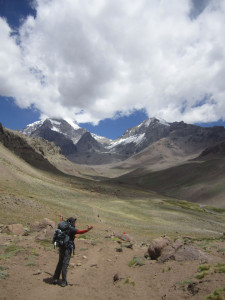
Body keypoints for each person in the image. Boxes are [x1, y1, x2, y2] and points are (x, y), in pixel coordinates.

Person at [52, 216, 93, 287]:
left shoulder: (63, 225)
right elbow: (80, 232)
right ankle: (64, 281)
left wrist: (61, 217)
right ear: (72, 222)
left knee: (60, 262)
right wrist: (88, 230)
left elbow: (61, 221)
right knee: (65, 264)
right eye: (74, 222)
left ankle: (55, 278)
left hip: (61, 246)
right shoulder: (71, 229)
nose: (75, 223)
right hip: (67, 248)